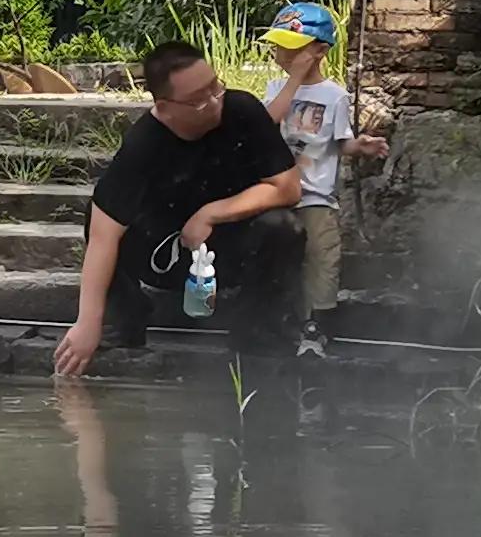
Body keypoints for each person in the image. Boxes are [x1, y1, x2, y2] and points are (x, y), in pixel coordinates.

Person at [54, 40, 307, 377]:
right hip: (163, 254)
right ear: (165, 106)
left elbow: (287, 188)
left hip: (225, 247)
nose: (214, 102)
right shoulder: (143, 144)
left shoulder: (242, 111)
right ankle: (124, 318)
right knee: (100, 212)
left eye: (215, 87)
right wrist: (88, 322)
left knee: (284, 228)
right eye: (198, 99)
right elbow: (102, 236)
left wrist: (212, 213)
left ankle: (258, 336)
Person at [257, 3, 386, 355]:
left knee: (322, 257)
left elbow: (338, 140)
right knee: (279, 258)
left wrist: (359, 145)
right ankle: (279, 318)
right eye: (279, 45)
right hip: (277, 194)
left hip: (316, 195)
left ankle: (317, 324)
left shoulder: (335, 96)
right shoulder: (275, 88)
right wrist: (294, 80)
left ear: (319, 51)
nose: (281, 53)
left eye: (291, 46)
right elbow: (264, 125)